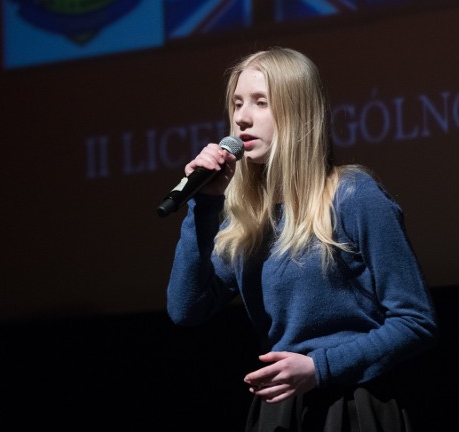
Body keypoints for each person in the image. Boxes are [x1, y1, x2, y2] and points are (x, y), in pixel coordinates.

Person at [166, 46, 438, 431]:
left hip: (353, 404)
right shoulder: (247, 216)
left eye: (261, 103)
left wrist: (319, 367)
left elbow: (416, 322)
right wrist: (204, 207)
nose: (242, 118)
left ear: (296, 112)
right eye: (237, 104)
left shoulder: (353, 195)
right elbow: (185, 309)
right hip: (282, 409)